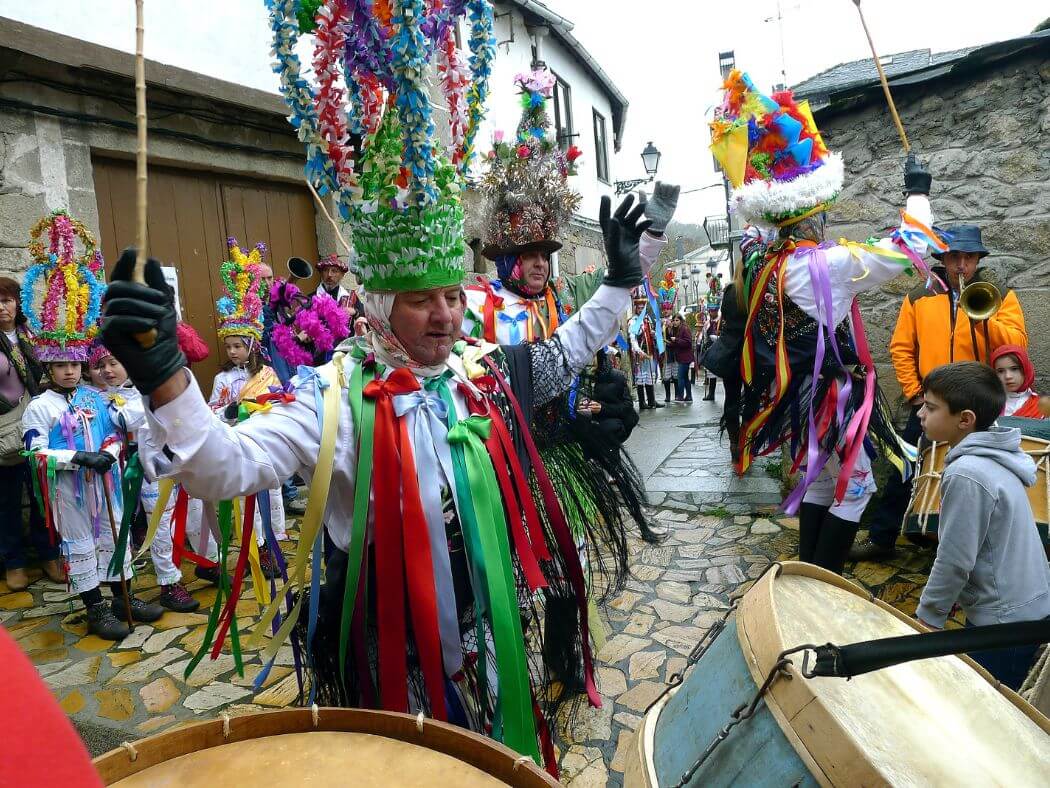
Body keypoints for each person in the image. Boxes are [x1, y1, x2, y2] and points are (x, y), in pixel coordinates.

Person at [101, 9, 651, 765]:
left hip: (484, 619)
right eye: (424, 298)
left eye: (453, 294)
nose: (447, 313)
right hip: (388, 644)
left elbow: (561, 351)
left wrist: (620, 282)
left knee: (489, 754)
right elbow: (222, 467)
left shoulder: (478, 373)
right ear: (381, 303)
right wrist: (164, 375)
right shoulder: (333, 399)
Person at [709, 70, 937, 574]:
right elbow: (912, 248)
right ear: (812, 212)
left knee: (820, 477)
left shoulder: (768, 260)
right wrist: (917, 192)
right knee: (857, 486)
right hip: (831, 395)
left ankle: (805, 574)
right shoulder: (826, 267)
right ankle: (821, 578)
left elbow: (754, 235)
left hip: (801, 395)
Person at [21, 210, 163, 640]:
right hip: (71, 490)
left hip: (107, 483)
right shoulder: (40, 408)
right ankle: (94, 606)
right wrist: (77, 457)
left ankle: (122, 593)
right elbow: (33, 450)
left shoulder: (93, 397)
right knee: (81, 542)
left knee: (114, 534)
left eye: (74, 364)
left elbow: (116, 430)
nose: (69, 372)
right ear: (49, 366)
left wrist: (111, 452)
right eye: (61, 365)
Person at [852, 225, 1030, 562]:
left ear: (978, 260)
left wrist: (982, 314)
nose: (961, 265)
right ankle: (882, 538)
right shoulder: (920, 296)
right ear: (943, 259)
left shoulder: (999, 294)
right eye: (954, 257)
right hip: (932, 402)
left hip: (978, 403)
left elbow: (1016, 345)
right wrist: (916, 393)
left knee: (978, 474)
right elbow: (901, 349)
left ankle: (979, 546)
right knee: (907, 468)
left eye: (969, 257)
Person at [915, 362, 1050, 690]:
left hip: (1003, 623)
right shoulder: (995, 457)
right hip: (1027, 607)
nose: (920, 413)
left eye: (931, 407)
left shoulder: (968, 474)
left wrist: (927, 617)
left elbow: (954, 559)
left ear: (965, 419)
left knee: (986, 711)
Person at [89, 342, 200, 612]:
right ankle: (124, 593)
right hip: (115, 473)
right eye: (101, 365)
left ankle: (169, 582)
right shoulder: (97, 399)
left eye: (114, 363)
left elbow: (130, 420)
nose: (107, 370)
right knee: (118, 528)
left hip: (150, 469)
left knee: (160, 523)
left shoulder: (146, 393)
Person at [209, 239, 288, 578]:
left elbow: (279, 404)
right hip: (238, 447)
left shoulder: (267, 374)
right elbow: (214, 411)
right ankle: (253, 548)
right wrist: (229, 412)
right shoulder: (221, 378)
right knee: (246, 503)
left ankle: (272, 544)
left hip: (264, 444)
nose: (234, 351)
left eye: (239, 345)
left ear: (252, 345)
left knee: (271, 497)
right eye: (229, 345)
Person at [0, 276, 62, 590]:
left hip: (38, 425)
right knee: (7, 500)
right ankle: (14, 561)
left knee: (43, 495)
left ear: (17, 303)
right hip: (4, 432)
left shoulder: (33, 335)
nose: (2, 307)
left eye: (7, 299)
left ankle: (49, 553)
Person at [991, 345, 1048, 419]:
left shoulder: (1043, 406)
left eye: (1014, 369)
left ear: (1026, 370)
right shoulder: (988, 404)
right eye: (1000, 371)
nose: (1008, 376)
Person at [629, 295, 663, 410]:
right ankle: (642, 403)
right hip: (641, 353)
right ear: (635, 309)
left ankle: (652, 401)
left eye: (643, 308)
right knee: (640, 378)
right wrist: (638, 351)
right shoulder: (633, 321)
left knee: (649, 376)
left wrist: (653, 333)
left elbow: (650, 332)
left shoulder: (647, 319)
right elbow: (633, 338)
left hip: (650, 351)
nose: (641, 310)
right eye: (639, 308)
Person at [668, 313, 694, 403]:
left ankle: (680, 396)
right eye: (674, 320)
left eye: (677, 320)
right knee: (685, 377)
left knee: (680, 377)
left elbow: (688, 342)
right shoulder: (678, 329)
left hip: (685, 357)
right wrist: (669, 343)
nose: (675, 322)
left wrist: (676, 340)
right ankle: (689, 396)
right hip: (682, 357)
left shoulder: (684, 329)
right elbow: (678, 344)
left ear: (681, 321)